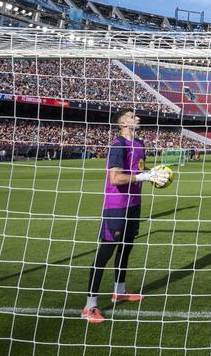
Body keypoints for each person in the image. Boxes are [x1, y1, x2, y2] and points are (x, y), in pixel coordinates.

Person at [83, 110, 170, 323]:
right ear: (122, 122)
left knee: (126, 247)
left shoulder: (139, 144)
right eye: (132, 116)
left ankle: (119, 291)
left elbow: (138, 170)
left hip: (134, 204)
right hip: (116, 206)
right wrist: (144, 175)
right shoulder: (118, 145)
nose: (137, 118)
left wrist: (154, 174)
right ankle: (90, 305)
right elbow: (115, 178)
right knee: (106, 252)